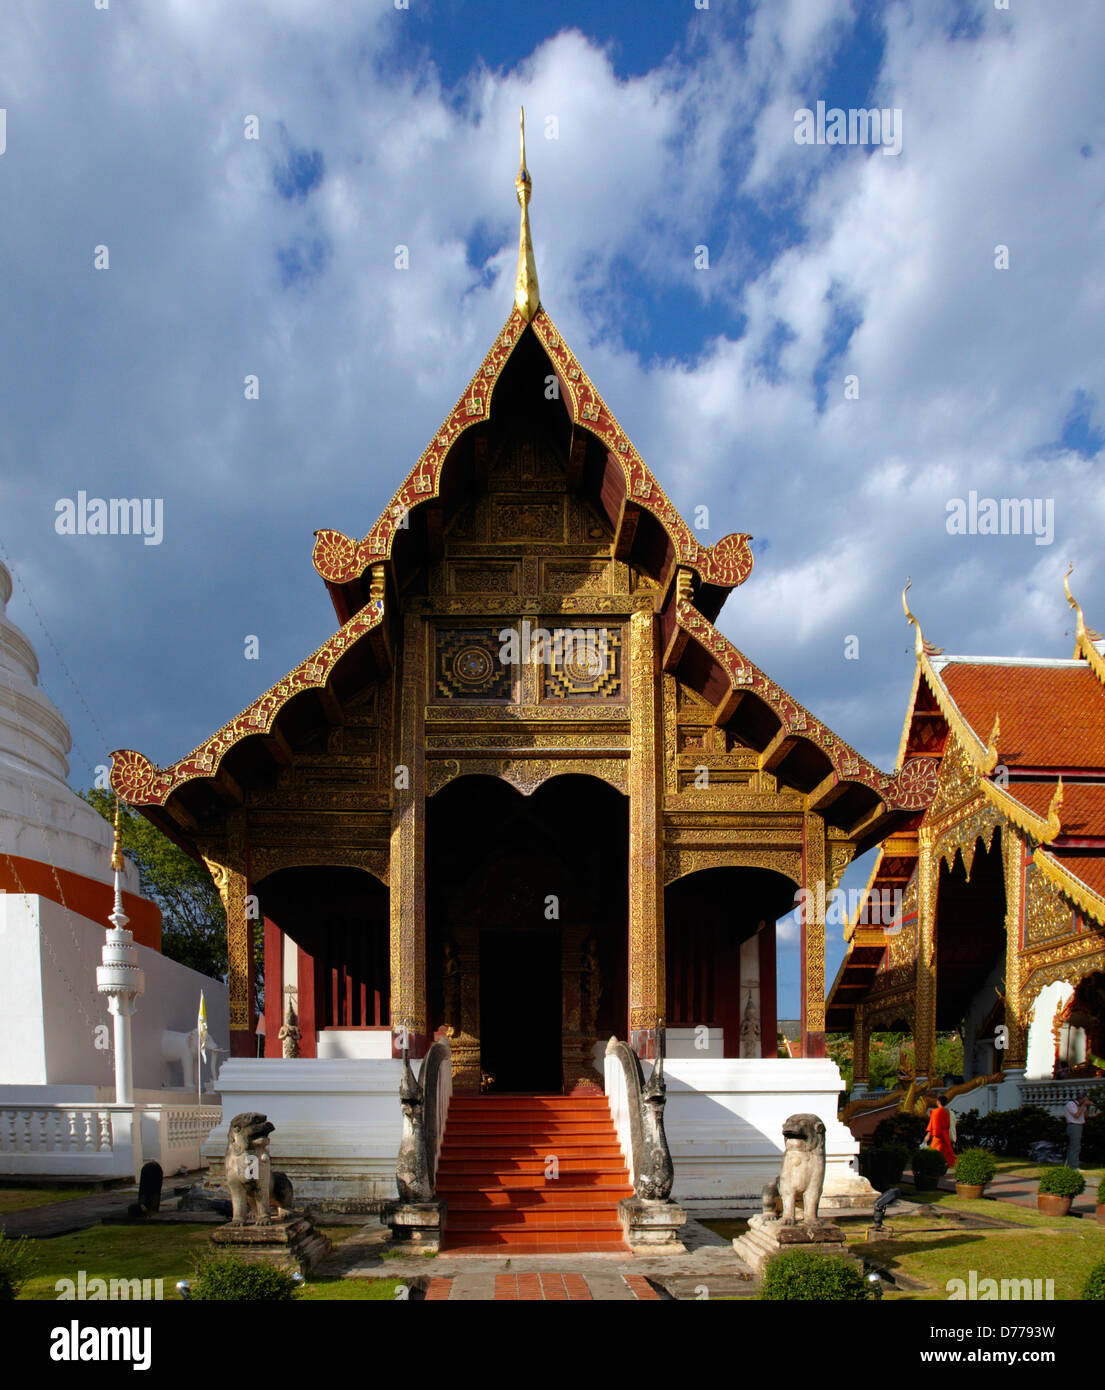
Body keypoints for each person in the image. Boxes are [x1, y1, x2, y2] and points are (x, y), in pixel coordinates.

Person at [925, 1095, 956, 1167]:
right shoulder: (948, 1111)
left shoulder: (936, 1111)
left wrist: (929, 1135)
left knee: (936, 1152)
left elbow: (932, 1124)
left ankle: (936, 1166)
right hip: (946, 1134)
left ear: (938, 1102)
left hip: (938, 1135)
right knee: (946, 1151)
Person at [1065, 1092, 1091, 1168]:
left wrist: (1088, 1107)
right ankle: (1074, 1166)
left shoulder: (1082, 1106)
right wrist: (1084, 1105)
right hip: (1073, 1126)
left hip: (1079, 1125)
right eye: (1085, 1099)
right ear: (1081, 1099)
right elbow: (1076, 1115)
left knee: (1076, 1146)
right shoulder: (1071, 1104)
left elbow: (1085, 1116)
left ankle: (1071, 1164)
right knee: (1075, 1146)